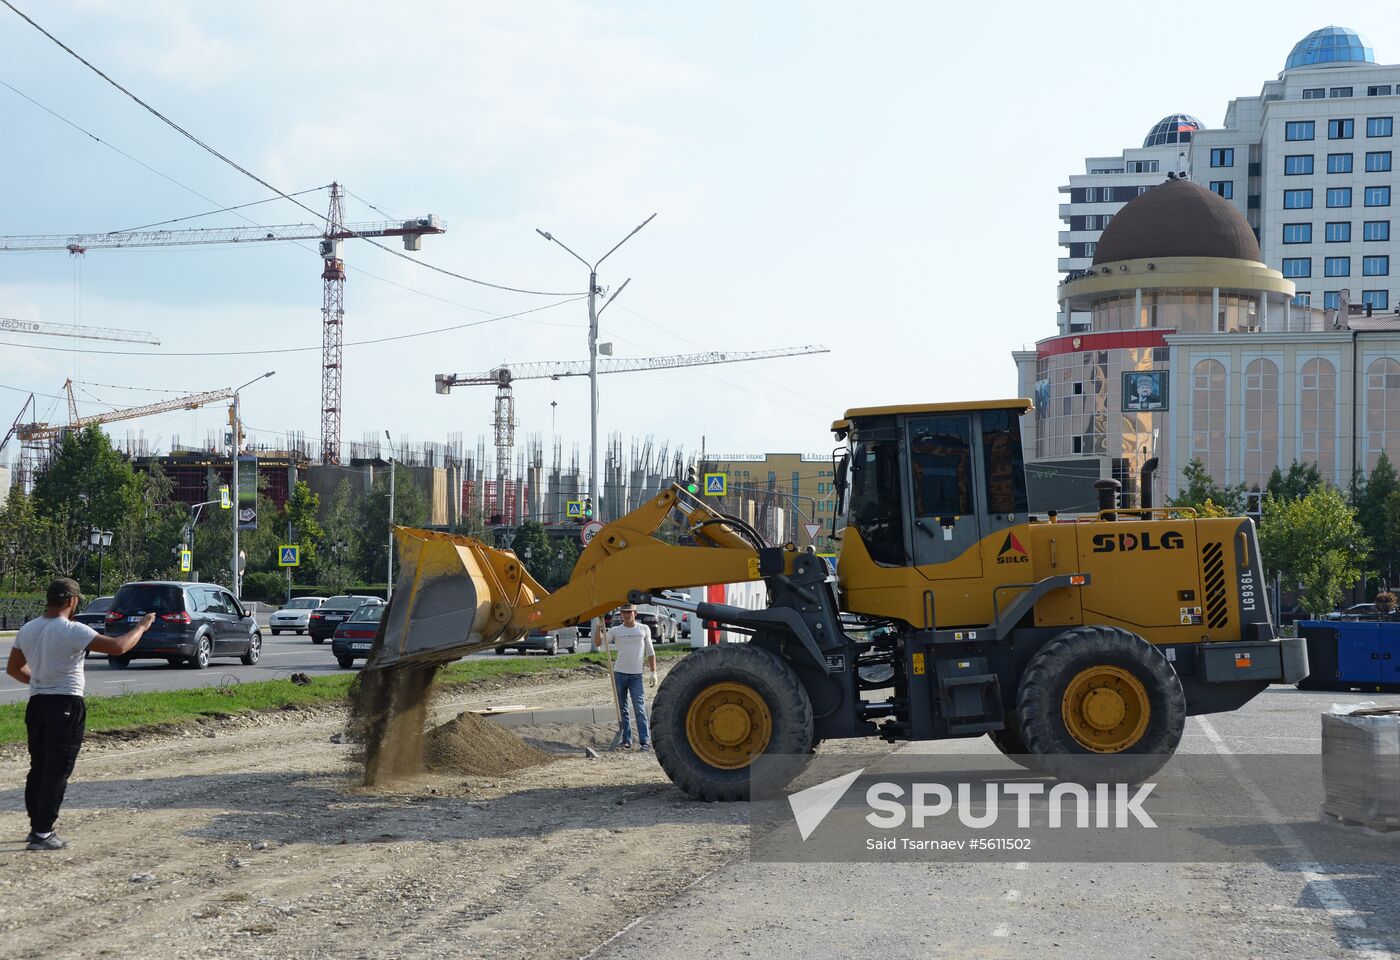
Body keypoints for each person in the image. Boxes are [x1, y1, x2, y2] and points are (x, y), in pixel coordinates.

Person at [5, 578, 154, 851]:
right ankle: (43, 833)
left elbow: (14, 669)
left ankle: (35, 826)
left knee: (38, 767)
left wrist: (42, 681)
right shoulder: (73, 630)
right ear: (72, 601)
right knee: (57, 769)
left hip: (37, 704)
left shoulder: (28, 629)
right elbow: (120, 647)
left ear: (48, 599)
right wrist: (142, 627)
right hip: (66, 704)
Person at [597, 603, 657, 750]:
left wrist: (653, 671)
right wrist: (598, 625)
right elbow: (599, 643)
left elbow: (650, 651)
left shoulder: (643, 629)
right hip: (619, 674)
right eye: (624, 612)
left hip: (636, 675)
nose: (626, 614)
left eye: (629, 612)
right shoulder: (615, 630)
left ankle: (645, 741)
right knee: (622, 708)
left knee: (639, 707)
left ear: (635, 613)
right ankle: (626, 740)